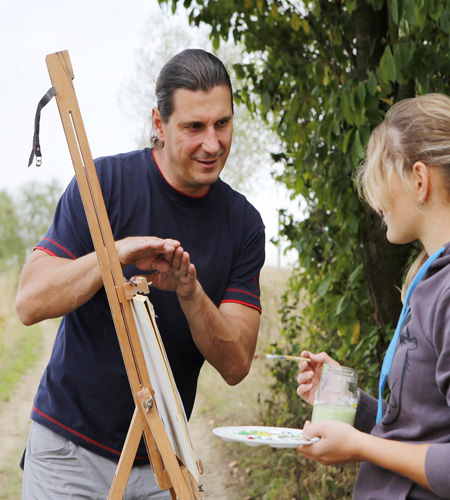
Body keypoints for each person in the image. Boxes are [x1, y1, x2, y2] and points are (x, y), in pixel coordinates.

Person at [16, 48, 265, 499]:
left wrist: (191, 294)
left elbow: (236, 364)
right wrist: (113, 255)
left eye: (222, 123)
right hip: (68, 455)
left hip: (165, 465)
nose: (212, 144)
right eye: (194, 127)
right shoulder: (103, 184)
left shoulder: (243, 224)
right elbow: (30, 302)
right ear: (159, 124)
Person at [296, 93, 450, 499]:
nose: (375, 200)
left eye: (381, 177)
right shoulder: (440, 277)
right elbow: (424, 429)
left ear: (419, 180)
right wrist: (350, 404)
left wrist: (359, 446)